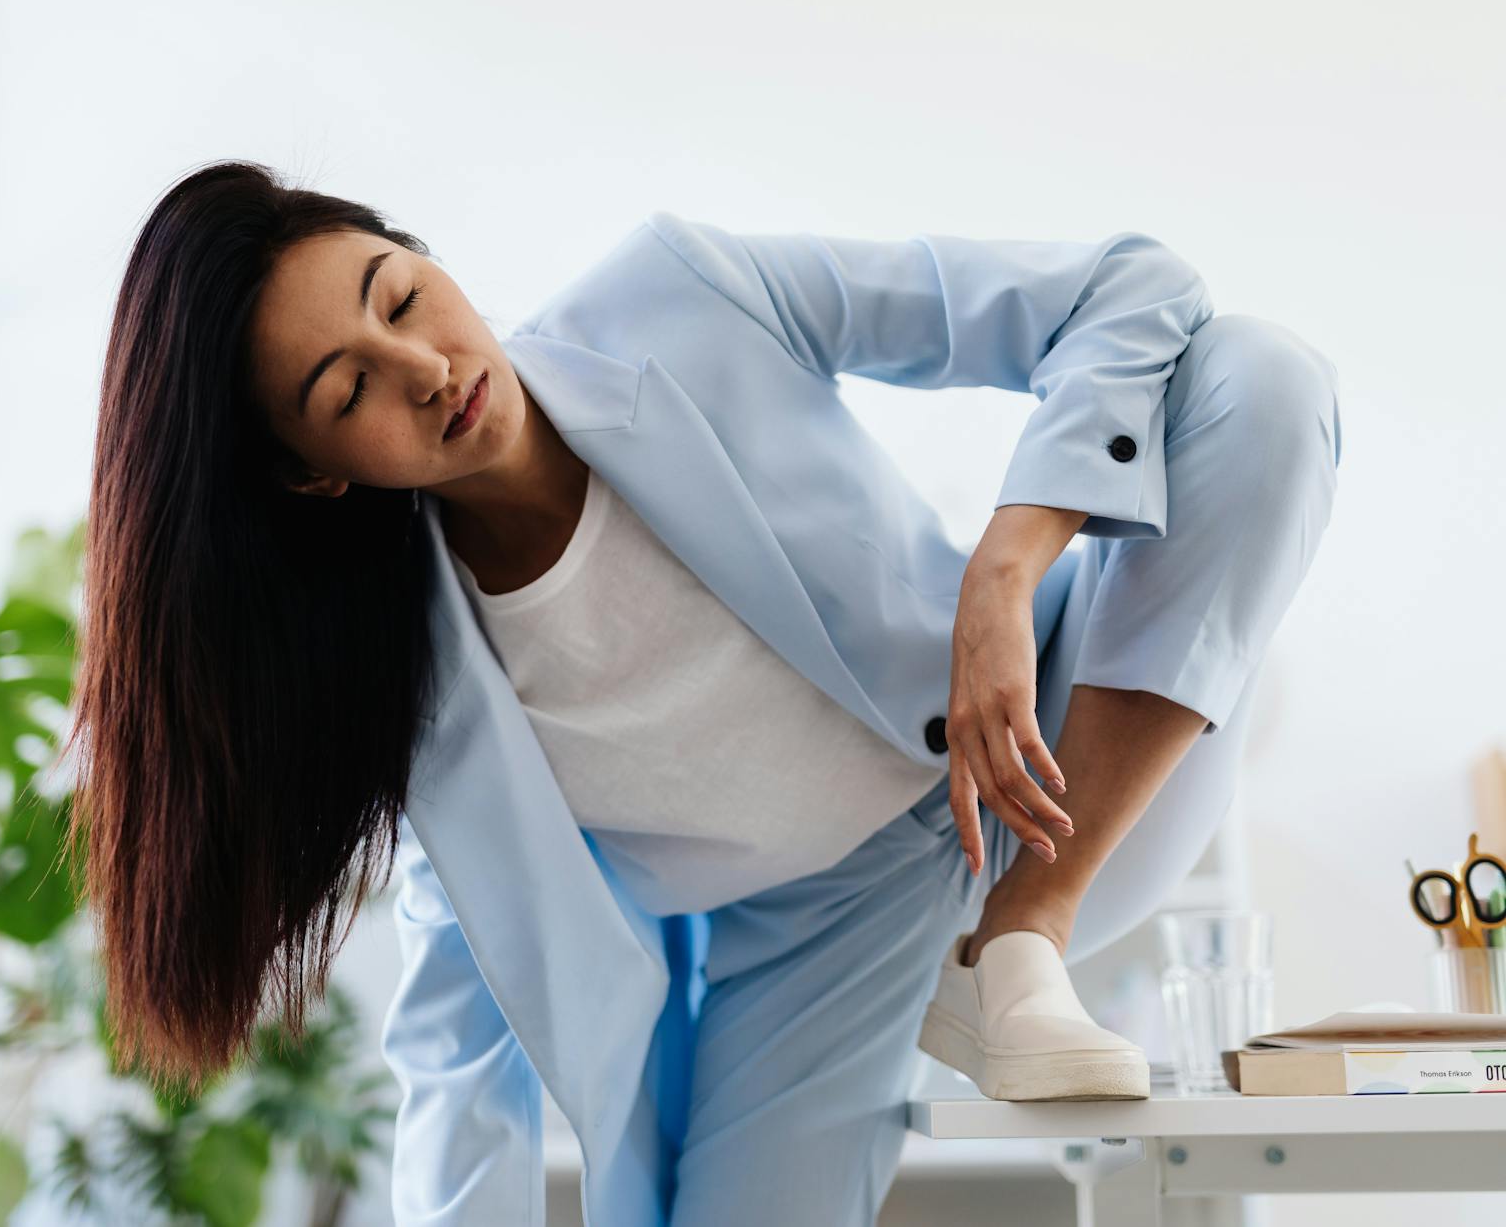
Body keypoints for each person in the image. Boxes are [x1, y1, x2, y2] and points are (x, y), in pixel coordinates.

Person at [68, 159, 1342, 1226]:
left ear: (421, 256)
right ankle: (980, 958)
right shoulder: (416, 702)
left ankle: (1023, 933)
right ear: (313, 475)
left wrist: (1008, 567)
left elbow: (1134, 288)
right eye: (347, 390)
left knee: (1260, 380)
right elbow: (459, 1055)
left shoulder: (678, 295)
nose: (420, 367)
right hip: (810, 946)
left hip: (1042, 766)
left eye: (399, 294)